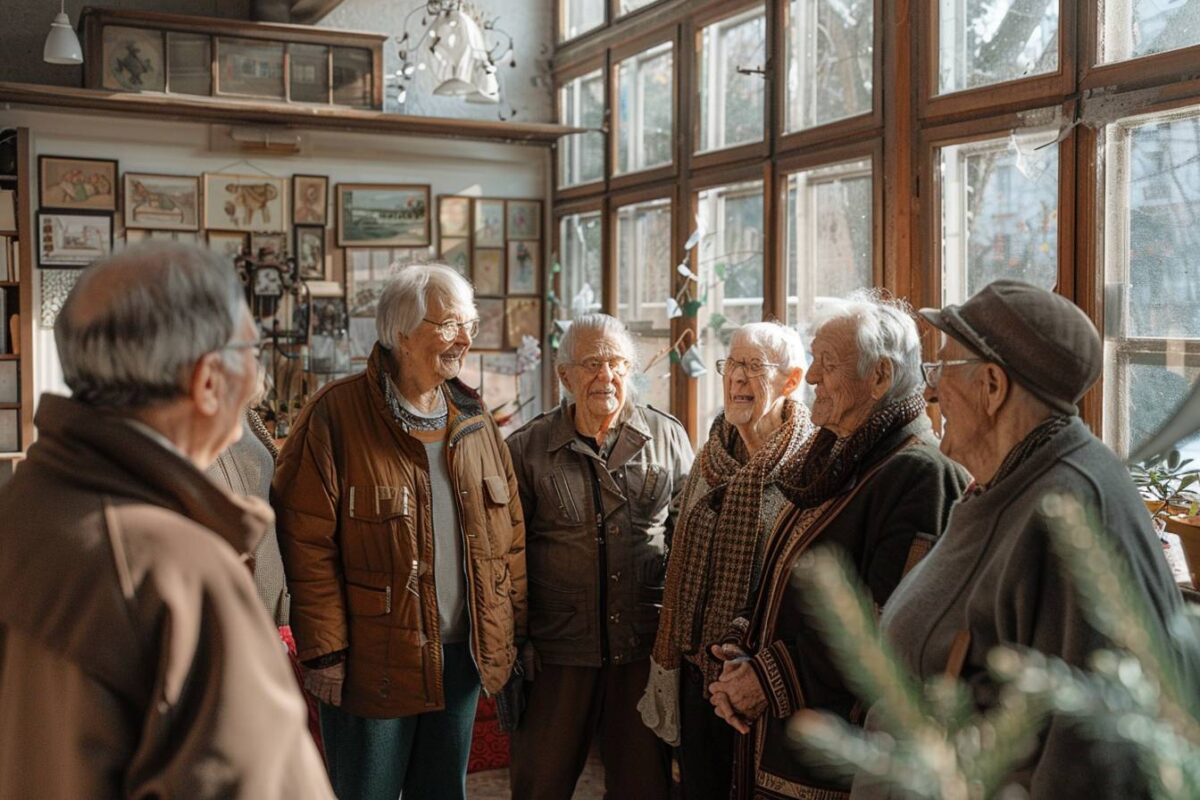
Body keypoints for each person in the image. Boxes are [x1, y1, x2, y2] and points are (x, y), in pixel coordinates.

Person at [0, 242, 332, 799]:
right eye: (251, 349)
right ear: (207, 381)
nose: (258, 371)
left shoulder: (22, 507)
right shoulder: (181, 570)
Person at [852, 280, 1198, 798]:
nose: (928, 390)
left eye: (942, 369)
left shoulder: (1071, 512)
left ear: (992, 387)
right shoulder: (1009, 480)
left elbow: (1090, 758)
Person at [273, 263, 526, 800]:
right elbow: (306, 545)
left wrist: (510, 632)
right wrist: (325, 654)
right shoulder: (334, 417)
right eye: (450, 324)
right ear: (402, 334)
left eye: (470, 325)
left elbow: (510, 538)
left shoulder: (474, 418)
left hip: (460, 658)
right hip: (372, 663)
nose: (465, 339)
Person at [710, 292, 968, 799]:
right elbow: (782, 571)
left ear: (879, 377)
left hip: (836, 757)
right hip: (779, 737)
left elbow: (888, 625)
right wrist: (741, 651)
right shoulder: (833, 456)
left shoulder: (920, 474)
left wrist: (767, 677)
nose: (810, 379)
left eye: (826, 365)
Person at [506, 313, 695, 800]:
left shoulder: (668, 436)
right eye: (592, 363)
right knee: (540, 785)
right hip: (557, 653)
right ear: (564, 375)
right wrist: (514, 646)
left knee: (644, 788)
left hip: (643, 648)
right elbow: (505, 559)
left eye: (616, 363)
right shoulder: (527, 450)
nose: (605, 376)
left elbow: (690, 544)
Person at [640, 321, 814, 799]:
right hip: (695, 668)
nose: (736, 379)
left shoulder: (809, 471)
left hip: (759, 683)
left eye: (753, 367)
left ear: (792, 380)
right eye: (731, 364)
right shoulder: (710, 454)